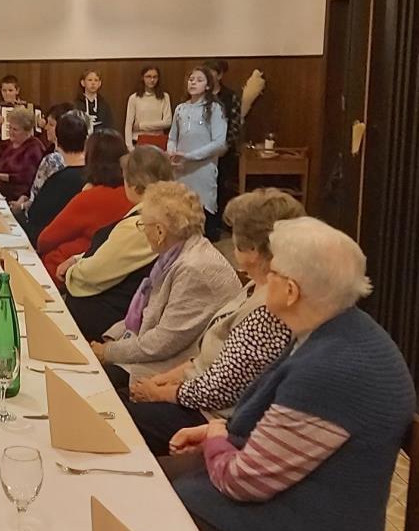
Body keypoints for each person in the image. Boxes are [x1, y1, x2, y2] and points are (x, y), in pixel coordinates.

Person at [164, 218, 416, 531]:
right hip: (299, 500)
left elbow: (243, 481)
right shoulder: (337, 329)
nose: (263, 279)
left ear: (291, 291)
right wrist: (214, 434)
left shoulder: (334, 367)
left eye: (272, 271)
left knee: (154, 508)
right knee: (148, 478)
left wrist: (218, 437)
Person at [122, 188, 304, 456]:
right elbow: (205, 358)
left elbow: (221, 390)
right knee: (115, 399)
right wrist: (161, 381)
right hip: (197, 392)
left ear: (253, 249)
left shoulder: (270, 308)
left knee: (118, 418)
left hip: (213, 416)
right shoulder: (257, 284)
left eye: (236, 235)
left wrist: (159, 392)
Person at [91, 181, 241, 388]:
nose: (143, 232)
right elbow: (143, 313)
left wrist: (108, 352)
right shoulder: (174, 254)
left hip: (177, 368)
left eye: (143, 225)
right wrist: (111, 340)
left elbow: (163, 343)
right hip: (157, 351)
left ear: (160, 232)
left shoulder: (194, 268)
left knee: (94, 383)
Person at [59, 146, 173, 342]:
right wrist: (77, 259)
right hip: (127, 306)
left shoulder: (143, 224)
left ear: (135, 185)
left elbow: (96, 272)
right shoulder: (163, 212)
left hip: (116, 315)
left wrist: (71, 272)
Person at [38, 129, 130, 279]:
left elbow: (45, 240)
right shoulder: (133, 195)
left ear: (90, 159)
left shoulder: (90, 198)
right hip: (114, 270)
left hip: (76, 272)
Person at [168, 67, 228, 241]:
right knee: (182, 211)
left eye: (199, 80)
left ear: (208, 86)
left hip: (203, 169)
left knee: (202, 211)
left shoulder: (214, 109)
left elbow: (219, 142)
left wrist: (191, 156)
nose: (193, 83)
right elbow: (172, 137)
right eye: (191, 79)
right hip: (181, 169)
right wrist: (172, 152)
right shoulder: (181, 109)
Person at [23, 110, 90, 245]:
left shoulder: (57, 181)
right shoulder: (96, 174)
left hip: (53, 243)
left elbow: (34, 215)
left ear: (58, 142)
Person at [13, 102, 76, 216]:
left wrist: (21, 206)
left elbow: (43, 199)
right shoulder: (50, 149)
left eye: (51, 124)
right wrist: (25, 197)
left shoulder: (54, 159)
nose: (46, 128)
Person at [0, 107, 46, 202]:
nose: (10, 132)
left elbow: (26, 178)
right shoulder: (6, 144)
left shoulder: (34, 148)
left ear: (27, 131)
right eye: (9, 127)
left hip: (16, 199)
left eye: (15, 129)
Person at [202, 58, 243, 216]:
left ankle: (220, 222)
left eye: (211, 73)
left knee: (222, 189)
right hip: (202, 151)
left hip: (224, 152)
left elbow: (235, 125)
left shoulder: (230, 96)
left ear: (219, 75)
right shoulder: (199, 96)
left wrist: (225, 145)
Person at [123, 65, 173, 150]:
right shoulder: (134, 98)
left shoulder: (165, 97)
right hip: (138, 140)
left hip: (158, 141)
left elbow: (167, 122)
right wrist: (129, 147)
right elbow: (128, 125)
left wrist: (141, 126)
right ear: (143, 78)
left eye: (155, 77)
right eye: (148, 76)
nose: (152, 80)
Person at [0, 75, 30, 140]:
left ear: (17, 91)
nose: (7, 93)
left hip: (24, 143)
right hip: (6, 143)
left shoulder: (25, 107)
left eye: (10, 90)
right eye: (4, 90)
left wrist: (39, 124)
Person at [74, 69, 114, 134]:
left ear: (99, 83)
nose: (93, 83)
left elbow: (109, 126)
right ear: (83, 83)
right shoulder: (76, 104)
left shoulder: (104, 105)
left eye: (96, 80)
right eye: (90, 80)